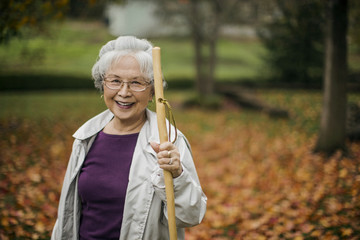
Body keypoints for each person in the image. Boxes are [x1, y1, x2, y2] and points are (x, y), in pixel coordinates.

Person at [51, 36, 207, 240]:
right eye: (115, 81)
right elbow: (68, 215)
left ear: (152, 92)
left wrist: (177, 175)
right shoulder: (85, 138)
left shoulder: (168, 141)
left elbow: (191, 215)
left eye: (136, 83)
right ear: (102, 85)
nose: (124, 92)